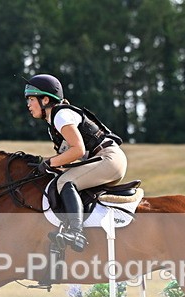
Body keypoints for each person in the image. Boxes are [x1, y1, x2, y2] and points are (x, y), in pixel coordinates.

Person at [24, 74, 126, 252]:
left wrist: (49, 163)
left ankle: (77, 232)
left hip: (109, 158)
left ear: (45, 99)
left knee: (65, 182)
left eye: (31, 99)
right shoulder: (55, 122)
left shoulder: (61, 115)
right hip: (103, 159)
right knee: (59, 180)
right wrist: (47, 165)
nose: (28, 105)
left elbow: (77, 150)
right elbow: (68, 157)